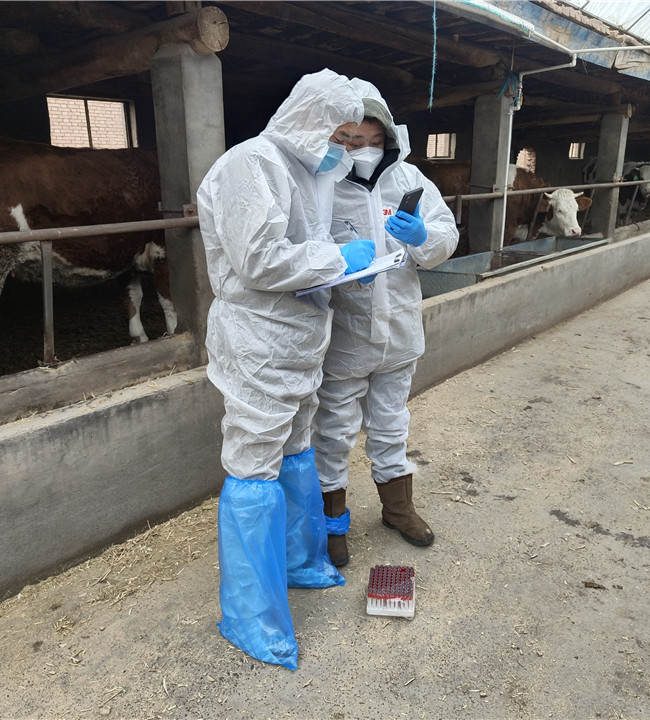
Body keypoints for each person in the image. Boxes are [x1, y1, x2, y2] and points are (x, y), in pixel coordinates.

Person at [196, 69, 375, 670]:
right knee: (254, 462)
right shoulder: (252, 164)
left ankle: (300, 561)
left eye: (351, 141)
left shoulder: (310, 172)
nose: (345, 149)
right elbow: (259, 260)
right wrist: (338, 258)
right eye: (340, 136)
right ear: (309, 120)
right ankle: (250, 615)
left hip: (301, 337)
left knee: (296, 447)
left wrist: (348, 264)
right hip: (259, 339)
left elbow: (305, 251)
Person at [313, 79, 459, 567]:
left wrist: (421, 236)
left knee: (392, 424)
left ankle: (398, 510)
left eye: (376, 139)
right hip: (345, 337)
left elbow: (445, 236)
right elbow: (298, 251)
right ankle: (333, 525)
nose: (366, 149)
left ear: (390, 138)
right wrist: (336, 262)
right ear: (337, 138)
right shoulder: (321, 185)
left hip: (399, 332)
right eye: (355, 140)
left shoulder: (409, 180)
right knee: (333, 432)